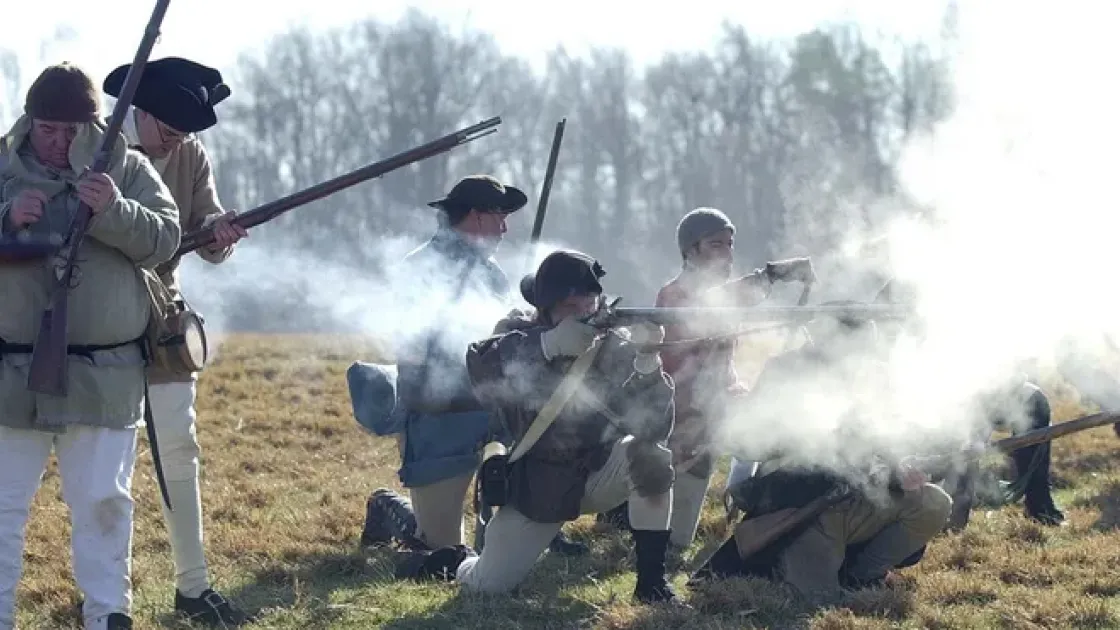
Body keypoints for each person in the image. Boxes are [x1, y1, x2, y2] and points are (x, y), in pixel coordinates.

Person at [0, 63, 181, 630]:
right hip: (10, 372)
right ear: (30, 123)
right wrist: (5, 217)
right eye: (46, 129)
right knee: (1, 511)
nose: (56, 143)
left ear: (91, 127)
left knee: (105, 503)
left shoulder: (129, 168)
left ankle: (108, 617)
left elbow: (166, 241)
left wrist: (113, 209)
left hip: (105, 374)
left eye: (69, 131)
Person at [400, 250, 680, 602]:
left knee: (651, 458)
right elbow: (481, 365)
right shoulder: (521, 336)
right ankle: (449, 561)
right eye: (569, 300)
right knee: (488, 585)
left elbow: (655, 426)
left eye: (588, 297)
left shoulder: (613, 345)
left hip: (600, 471)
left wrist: (648, 359)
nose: (582, 307)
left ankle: (652, 585)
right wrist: (548, 345)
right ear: (547, 306)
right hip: (540, 487)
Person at [362, 175, 586, 557]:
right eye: (499, 216)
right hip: (439, 415)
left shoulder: (494, 274)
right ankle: (389, 509)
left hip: (494, 405)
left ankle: (535, 523)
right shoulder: (418, 268)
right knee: (444, 551)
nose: (504, 227)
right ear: (475, 217)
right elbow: (410, 353)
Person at [101, 56, 250, 626]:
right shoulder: (102, 148)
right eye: (170, 128)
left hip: (162, 324)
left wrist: (222, 235)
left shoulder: (188, 153)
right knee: (98, 470)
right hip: (98, 325)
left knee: (179, 453)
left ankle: (192, 586)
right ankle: (106, 598)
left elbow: (209, 236)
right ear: (140, 111)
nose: (177, 140)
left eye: (185, 132)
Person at [691, 305, 952, 603]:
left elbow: (895, 438)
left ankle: (864, 574)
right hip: (805, 506)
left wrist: (904, 467)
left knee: (933, 502)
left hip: (863, 497)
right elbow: (751, 445)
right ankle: (791, 564)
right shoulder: (787, 370)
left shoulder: (877, 376)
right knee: (818, 601)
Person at [597, 207, 816, 551]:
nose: (728, 254)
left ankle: (762, 523)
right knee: (675, 543)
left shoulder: (721, 295)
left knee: (782, 430)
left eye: (730, 244)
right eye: (716, 244)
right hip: (681, 420)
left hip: (720, 405)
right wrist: (772, 276)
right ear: (690, 251)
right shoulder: (674, 297)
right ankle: (622, 509)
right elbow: (710, 312)